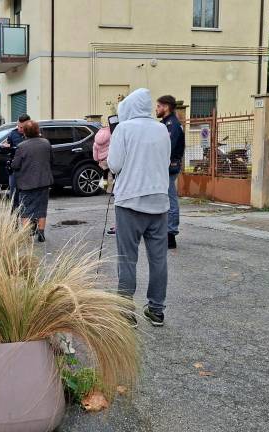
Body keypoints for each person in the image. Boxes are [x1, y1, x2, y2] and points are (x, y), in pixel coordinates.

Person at [108, 88, 171, 327]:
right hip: (159, 202)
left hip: (129, 202)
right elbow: (165, 162)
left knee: (127, 258)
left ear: (129, 108)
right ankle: (156, 309)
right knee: (158, 259)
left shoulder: (124, 129)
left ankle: (126, 310)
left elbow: (114, 165)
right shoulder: (162, 129)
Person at [11, 120, 53, 243]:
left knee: (25, 210)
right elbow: (52, 160)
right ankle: (41, 233)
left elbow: (15, 165)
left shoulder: (22, 146)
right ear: (37, 130)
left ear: (25, 132)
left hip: (26, 183)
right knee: (41, 208)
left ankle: (26, 234)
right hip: (43, 181)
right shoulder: (46, 143)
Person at [156, 95, 186, 250]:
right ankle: (165, 231)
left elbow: (169, 147)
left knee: (170, 198)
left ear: (166, 107)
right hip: (164, 166)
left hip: (170, 166)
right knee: (165, 198)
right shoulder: (165, 124)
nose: (156, 109)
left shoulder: (172, 125)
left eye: (159, 106)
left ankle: (171, 234)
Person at [2, 114, 31, 209]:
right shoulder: (13, 134)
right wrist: (6, 147)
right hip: (15, 169)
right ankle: (14, 218)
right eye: (18, 126)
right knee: (14, 195)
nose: (19, 129)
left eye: (22, 127)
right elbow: (7, 146)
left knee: (27, 195)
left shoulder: (33, 134)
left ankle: (27, 217)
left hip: (28, 169)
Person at [93, 126, 116, 236]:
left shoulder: (97, 137)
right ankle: (111, 190)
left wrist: (98, 159)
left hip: (102, 161)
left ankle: (107, 188)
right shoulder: (111, 135)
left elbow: (94, 154)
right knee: (111, 176)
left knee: (105, 174)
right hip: (110, 160)